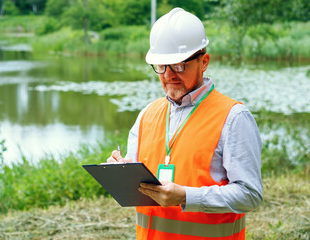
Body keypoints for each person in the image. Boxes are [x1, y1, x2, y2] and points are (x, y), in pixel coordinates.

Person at [107, 7, 262, 240]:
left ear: (204, 61)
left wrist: (187, 197)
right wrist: (121, 171)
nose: (169, 74)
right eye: (161, 66)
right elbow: (139, 181)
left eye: (179, 65)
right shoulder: (147, 115)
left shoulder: (233, 117)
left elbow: (250, 194)